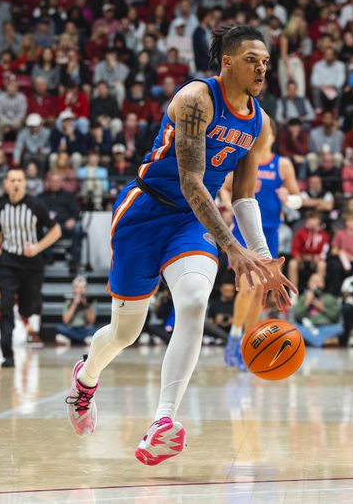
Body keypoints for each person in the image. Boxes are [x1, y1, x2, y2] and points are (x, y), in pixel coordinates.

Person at [64, 26, 296, 467]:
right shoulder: (195, 99)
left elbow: (244, 195)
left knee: (193, 302)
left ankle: (162, 423)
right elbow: (191, 181)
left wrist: (263, 258)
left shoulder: (258, 121)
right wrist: (233, 246)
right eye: (252, 58)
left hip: (192, 223)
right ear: (227, 61)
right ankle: (85, 379)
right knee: (125, 332)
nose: (262, 66)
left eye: (265, 59)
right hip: (145, 212)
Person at [218, 127, 302, 370]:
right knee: (247, 287)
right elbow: (225, 188)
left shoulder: (282, 165)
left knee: (258, 291)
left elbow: (298, 199)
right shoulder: (244, 160)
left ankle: (247, 341)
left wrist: (288, 198)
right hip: (244, 231)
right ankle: (235, 339)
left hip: (270, 233)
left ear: (274, 137)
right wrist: (228, 207)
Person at [0, 169, 62, 368]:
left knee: (28, 307)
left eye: (19, 180)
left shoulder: (36, 205)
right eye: (12, 180)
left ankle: (27, 310)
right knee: (5, 303)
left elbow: (56, 230)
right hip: (7, 261)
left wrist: (37, 248)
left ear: (24, 184)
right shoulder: (0, 208)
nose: (16, 184)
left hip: (31, 264)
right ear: (6, 184)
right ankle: (7, 352)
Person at [293, 273, 343, 347]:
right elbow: (297, 316)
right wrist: (306, 303)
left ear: (323, 284)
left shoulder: (329, 298)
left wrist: (323, 308)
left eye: (319, 281)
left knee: (339, 328)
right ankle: (321, 342)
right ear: (309, 284)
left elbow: (335, 316)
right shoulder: (303, 298)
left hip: (325, 327)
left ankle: (315, 340)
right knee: (295, 327)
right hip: (308, 327)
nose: (316, 284)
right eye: (314, 281)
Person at [55, 275, 99, 346]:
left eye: (82, 287)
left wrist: (85, 305)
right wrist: (74, 304)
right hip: (71, 329)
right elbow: (65, 321)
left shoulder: (92, 301)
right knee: (59, 327)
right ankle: (72, 339)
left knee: (96, 330)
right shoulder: (68, 301)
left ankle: (73, 340)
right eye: (78, 287)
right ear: (73, 289)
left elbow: (92, 321)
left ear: (86, 289)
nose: (80, 290)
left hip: (86, 330)